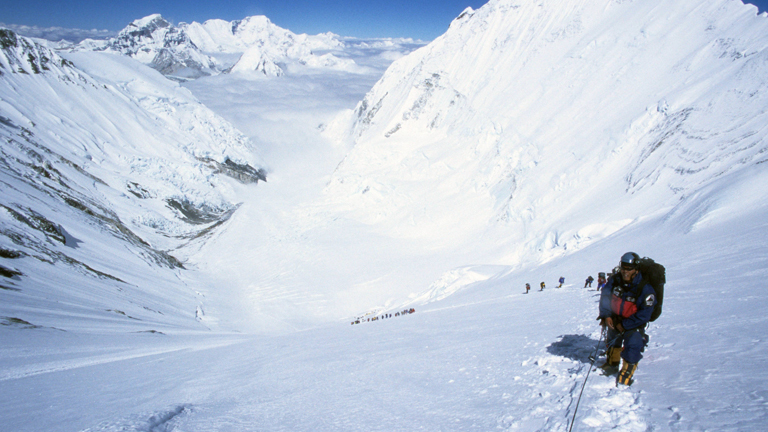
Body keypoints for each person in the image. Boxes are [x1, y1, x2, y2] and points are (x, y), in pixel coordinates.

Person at [598, 252, 656, 385]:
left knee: (632, 344)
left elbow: (645, 314)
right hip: (616, 318)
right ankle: (612, 363)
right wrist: (606, 315)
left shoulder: (645, 288)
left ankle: (627, 370)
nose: (625, 272)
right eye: (623, 268)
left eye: (629, 269)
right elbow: (605, 296)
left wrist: (625, 325)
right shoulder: (615, 280)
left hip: (633, 323)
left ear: (636, 269)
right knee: (612, 341)